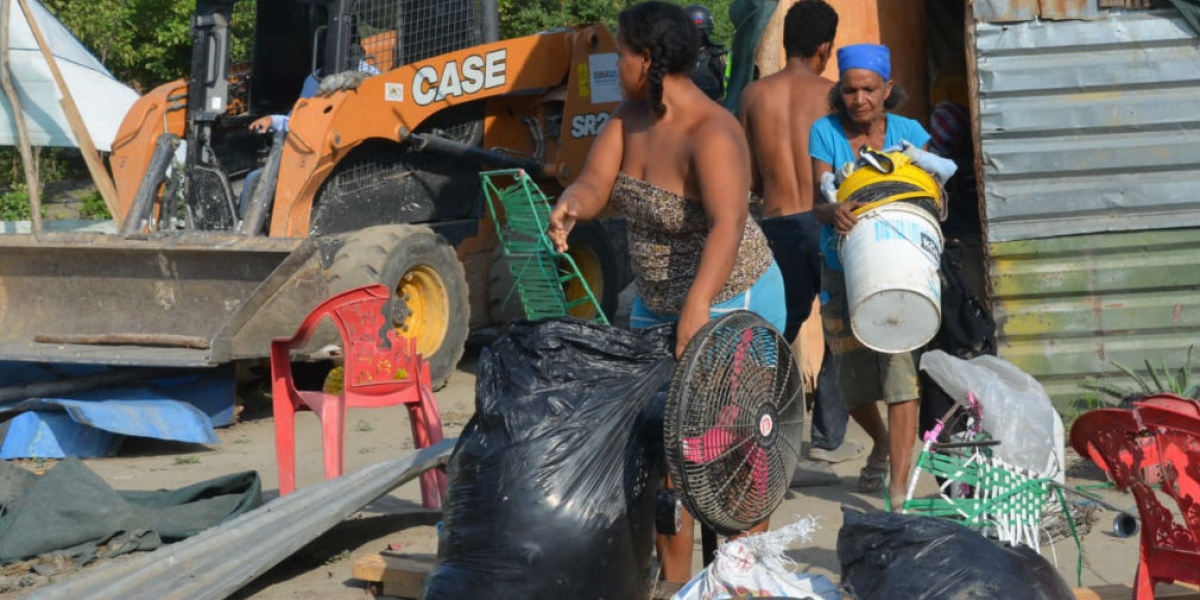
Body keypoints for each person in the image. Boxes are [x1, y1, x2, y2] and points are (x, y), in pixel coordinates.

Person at [547, 1, 785, 584]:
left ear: (646, 59)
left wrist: (697, 309)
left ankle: (738, 585)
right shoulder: (626, 119)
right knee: (663, 456)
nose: (614, 60)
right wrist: (572, 204)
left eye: (621, 50)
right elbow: (596, 183)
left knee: (730, 454)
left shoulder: (713, 130)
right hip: (654, 302)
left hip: (731, 296)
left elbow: (728, 223)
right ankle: (679, 588)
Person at [739, 0, 864, 470]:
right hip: (828, 225)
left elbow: (748, 177)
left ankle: (754, 431)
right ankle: (829, 438)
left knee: (774, 335)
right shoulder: (835, 96)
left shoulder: (753, 97)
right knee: (842, 333)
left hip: (775, 226)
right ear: (825, 47)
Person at [809, 43, 930, 509]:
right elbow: (817, 202)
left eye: (869, 90)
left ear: (888, 90)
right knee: (851, 383)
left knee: (901, 377)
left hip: (902, 269)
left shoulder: (910, 132)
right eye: (850, 90)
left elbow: (933, 190)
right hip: (842, 270)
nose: (859, 100)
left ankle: (898, 492)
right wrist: (832, 210)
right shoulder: (824, 132)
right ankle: (880, 441)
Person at [685, 5, 729, 102]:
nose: (696, 36)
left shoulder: (718, 57)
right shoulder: (675, 58)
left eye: (700, 32)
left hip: (715, 111)